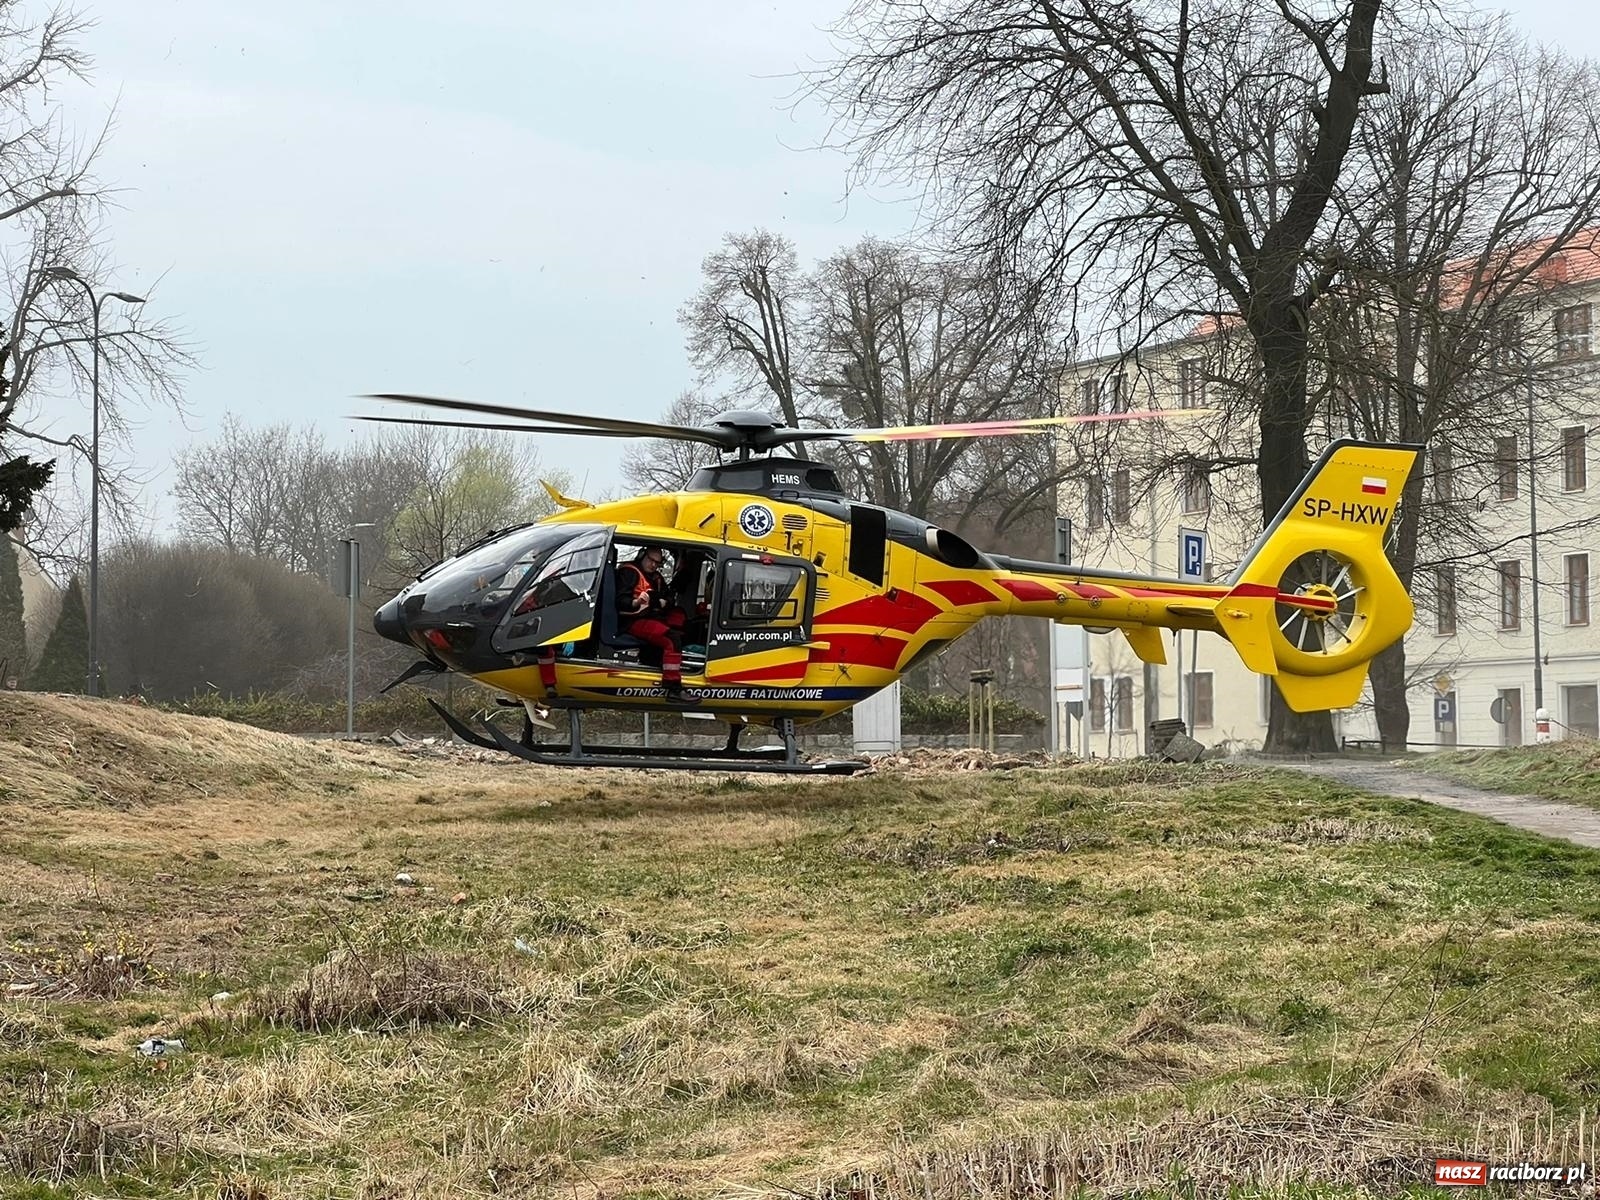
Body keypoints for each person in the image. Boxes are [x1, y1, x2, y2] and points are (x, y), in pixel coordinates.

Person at [616, 546, 695, 699]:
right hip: (632, 620)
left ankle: (657, 662)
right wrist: (636, 602)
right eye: (651, 560)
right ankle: (673, 687)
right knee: (672, 639)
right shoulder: (629, 572)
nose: (653, 565)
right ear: (642, 556)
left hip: (653, 617)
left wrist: (665, 602)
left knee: (683, 626)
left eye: (657, 563)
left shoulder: (657, 578)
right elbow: (620, 601)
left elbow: (669, 597)